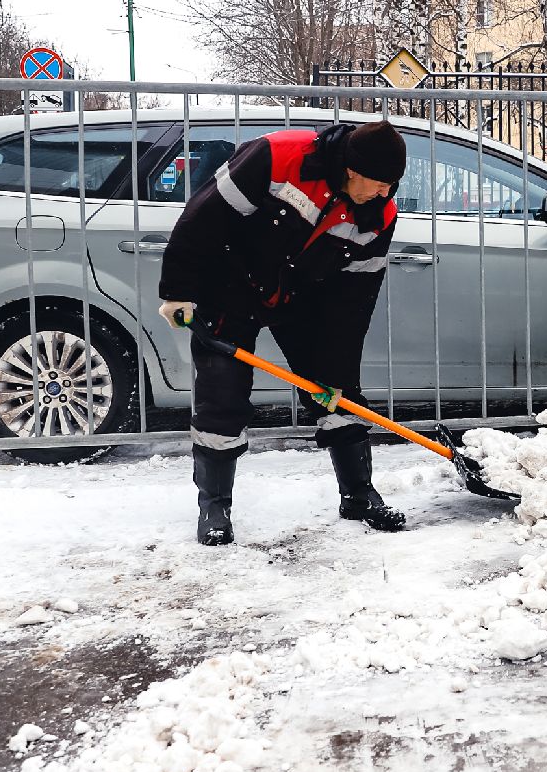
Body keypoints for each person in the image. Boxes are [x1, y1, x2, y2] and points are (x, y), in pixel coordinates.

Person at [156, 122, 407, 545]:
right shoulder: (278, 157)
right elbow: (203, 218)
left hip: (304, 296)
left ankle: (358, 494)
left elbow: (353, 302)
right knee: (221, 394)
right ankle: (215, 506)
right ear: (352, 169)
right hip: (230, 286)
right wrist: (178, 292)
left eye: (391, 185)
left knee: (339, 391)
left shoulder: (378, 215)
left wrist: (336, 373)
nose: (386, 194)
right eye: (380, 183)